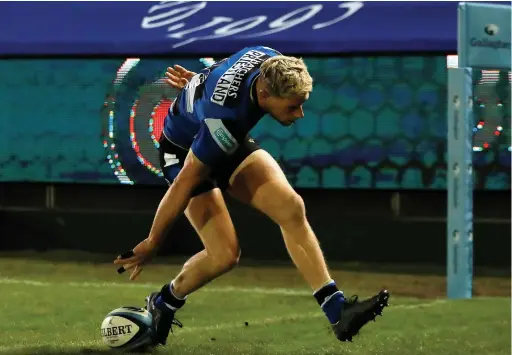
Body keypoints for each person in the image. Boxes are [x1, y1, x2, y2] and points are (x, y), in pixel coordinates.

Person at [114, 46, 389, 346]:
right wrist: (153, 241)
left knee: (290, 207)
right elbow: (185, 181)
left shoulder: (267, 56)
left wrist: (199, 91)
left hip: (217, 131)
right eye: (293, 106)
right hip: (183, 153)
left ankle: (337, 310)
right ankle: (164, 301)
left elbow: (222, 77)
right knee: (224, 255)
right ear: (266, 93)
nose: (300, 113)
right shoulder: (227, 118)